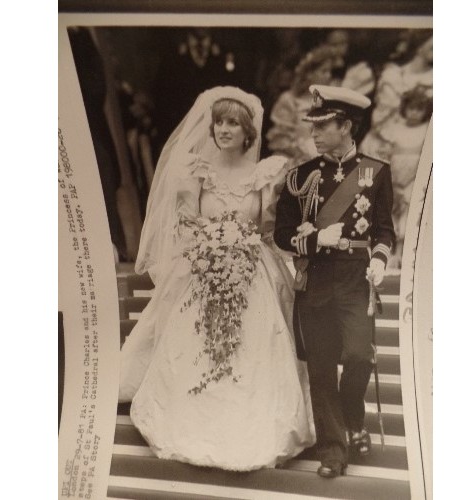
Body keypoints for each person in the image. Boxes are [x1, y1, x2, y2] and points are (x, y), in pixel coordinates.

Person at [119, 86, 315, 471]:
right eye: (219, 122)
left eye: (233, 123)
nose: (224, 129)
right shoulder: (196, 171)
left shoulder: (266, 174)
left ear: (248, 132)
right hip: (203, 267)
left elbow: (269, 229)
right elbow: (187, 223)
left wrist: (245, 249)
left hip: (252, 267)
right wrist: (209, 249)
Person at [274, 85, 395, 478]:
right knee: (322, 368)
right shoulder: (300, 177)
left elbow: (383, 230)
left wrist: (379, 258)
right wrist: (313, 238)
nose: (315, 132)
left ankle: (349, 418)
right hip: (316, 283)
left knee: (360, 355)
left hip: (356, 282)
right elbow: (281, 233)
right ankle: (333, 452)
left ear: (346, 126)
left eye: (324, 125)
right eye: (314, 125)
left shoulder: (376, 172)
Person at [380, 85, 433, 268]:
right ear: (404, 108)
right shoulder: (395, 128)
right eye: (411, 108)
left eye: (420, 109)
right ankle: (391, 253)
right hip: (395, 177)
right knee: (392, 211)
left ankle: (405, 254)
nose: (414, 113)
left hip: (416, 178)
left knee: (410, 212)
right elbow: (386, 152)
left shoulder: (427, 130)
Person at [359, 34, 433, 161]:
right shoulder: (392, 75)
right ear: (419, 46)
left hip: (414, 145)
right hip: (381, 139)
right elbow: (381, 111)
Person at [266, 45, 333, 166]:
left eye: (329, 71)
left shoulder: (328, 102)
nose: (328, 76)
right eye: (323, 71)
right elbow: (280, 139)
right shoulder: (289, 100)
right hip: (291, 162)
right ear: (309, 74)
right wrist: (306, 153)